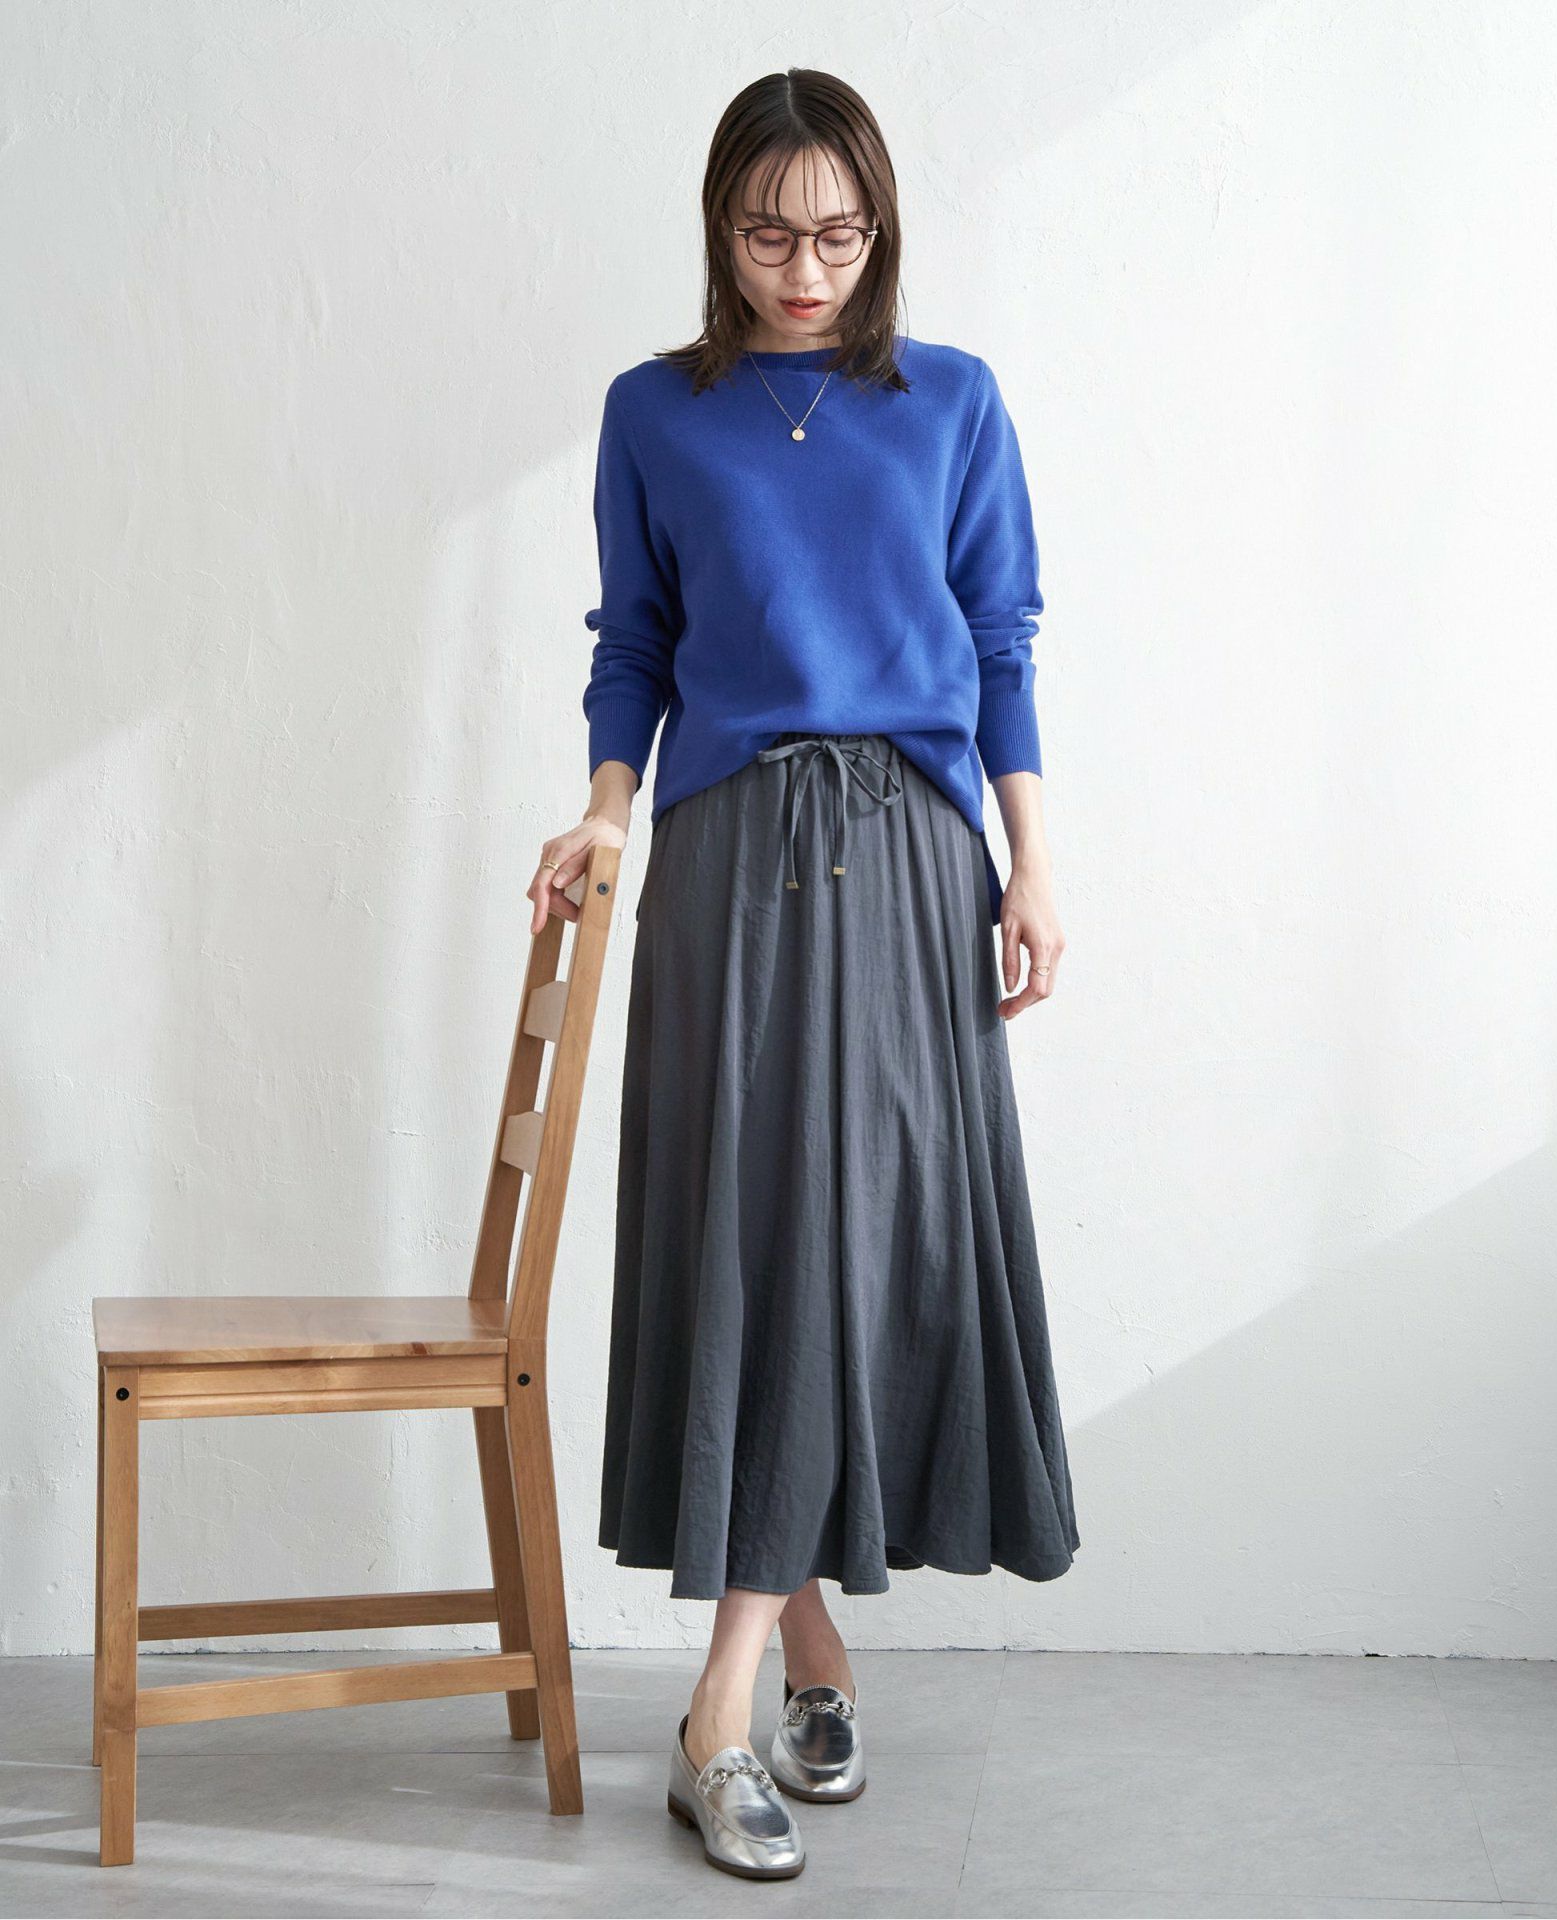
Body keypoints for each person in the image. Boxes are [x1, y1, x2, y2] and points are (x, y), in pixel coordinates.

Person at [527, 67, 1080, 1882]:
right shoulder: (655, 411)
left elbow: (1000, 642)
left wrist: (1032, 862)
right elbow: (636, 645)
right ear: (721, 228)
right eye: (770, 233)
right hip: (732, 863)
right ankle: (738, 1700)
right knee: (761, 1244)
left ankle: (776, 1669)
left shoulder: (953, 401)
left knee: (868, 1242)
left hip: (914, 862)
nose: (806, 267)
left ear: (881, 227)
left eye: (840, 233)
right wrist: (606, 811)